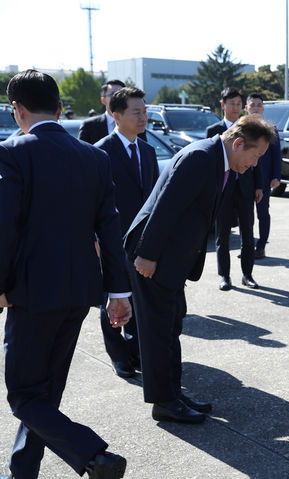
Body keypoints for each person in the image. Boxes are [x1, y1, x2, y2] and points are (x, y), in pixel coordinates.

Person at [0, 70, 131, 479]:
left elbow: (4, 228)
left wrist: (0, 288)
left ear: (16, 110)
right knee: (46, 394)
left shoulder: (11, 152)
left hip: (30, 293)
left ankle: (95, 456)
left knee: (23, 395)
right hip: (79, 290)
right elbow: (110, 228)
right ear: (59, 108)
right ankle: (24, 471)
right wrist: (119, 291)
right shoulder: (95, 156)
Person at [125, 115, 276, 424]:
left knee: (171, 326)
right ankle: (163, 402)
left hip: (171, 258)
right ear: (238, 144)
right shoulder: (200, 157)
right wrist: (148, 255)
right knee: (157, 332)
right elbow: (166, 207)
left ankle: (173, 393)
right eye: (255, 155)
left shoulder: (220, 160)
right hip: (153, 256)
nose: (255, 163)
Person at [95, 87, 159, 379]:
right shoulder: (100, 152)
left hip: (141, 241)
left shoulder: (147, 150)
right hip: (110, 240)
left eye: (144, 111)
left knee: (138, 297)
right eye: (136, 112)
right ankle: (118, 355)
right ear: (115, 114)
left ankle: (136, 352)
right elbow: (92, 202)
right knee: (112, 297)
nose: (142, 117)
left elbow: (155, 197)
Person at [207, 88, 264, 290]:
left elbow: (257, 158)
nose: (235, 108)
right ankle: (225, 276)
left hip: (246, 189)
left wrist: (259, 186)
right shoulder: (214, 130)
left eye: (239, 104)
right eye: (231, 103)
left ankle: (247, 274)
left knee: (248, 234)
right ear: (223, 105)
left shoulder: (249, 129)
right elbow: (211, 163)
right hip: (223, 190)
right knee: (222, 234)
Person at [246, 93, 282, 260]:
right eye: (252, 105)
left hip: (265, 179)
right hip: (244, 178)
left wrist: (276, 176)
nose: (255, 108)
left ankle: (261, 246)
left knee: (262, 213)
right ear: (246, 108)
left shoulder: (271, 129)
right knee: (246, 215)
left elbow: (276, 155)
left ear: (263, 108)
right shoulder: (241, 128)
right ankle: (247, 246)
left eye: (259, 105)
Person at [78, 79, 125, 144]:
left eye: (121, 95)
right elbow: (82, 152)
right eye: (113, 94)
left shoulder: (135, 123)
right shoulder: (89, 126)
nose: (118, 98)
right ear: (103, 100)